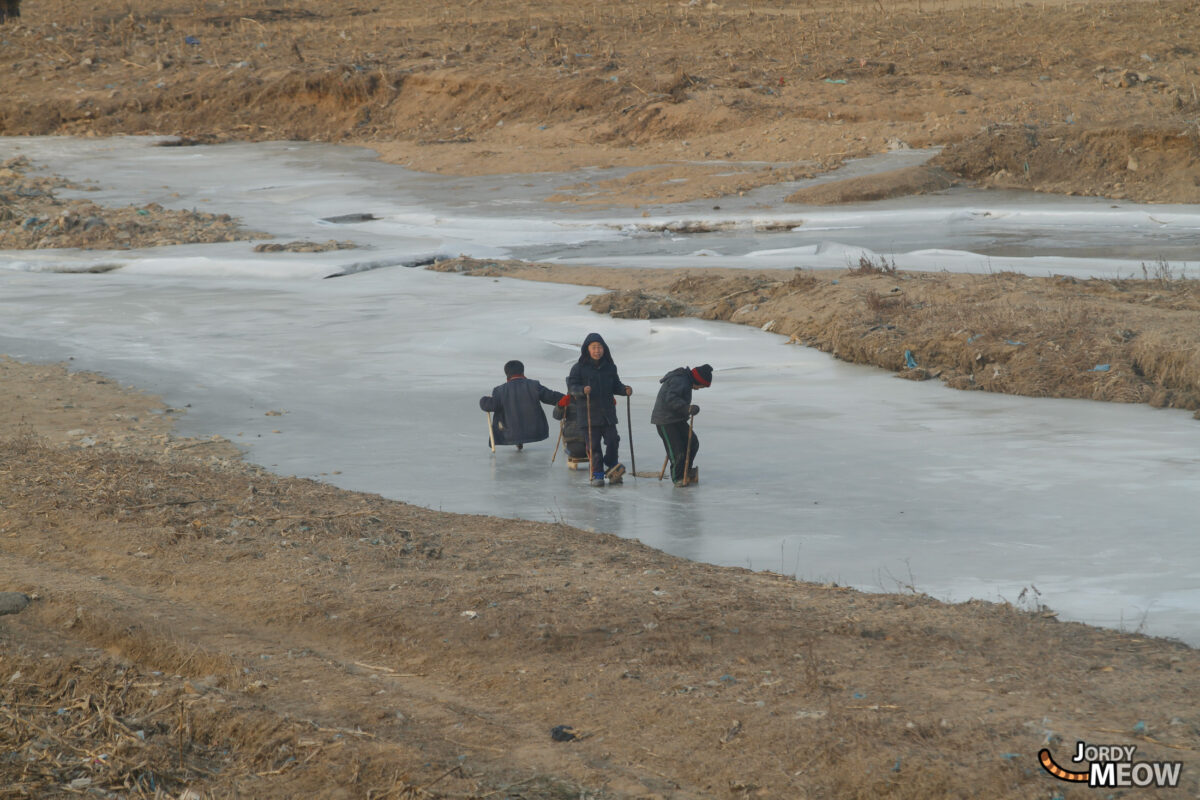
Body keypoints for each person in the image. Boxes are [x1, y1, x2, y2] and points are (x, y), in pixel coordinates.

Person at [566, 333, 631, 487]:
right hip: (588, 414)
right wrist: (582, 390)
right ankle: (598, 474)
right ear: (587, 349)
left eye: (600, 347)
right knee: (593, 446)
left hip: (607, 414)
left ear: (604, 348)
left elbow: (616, 385)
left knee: (613, 440)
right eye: (594, 347)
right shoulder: (579, 368)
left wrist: (625, 390)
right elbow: (572, 388)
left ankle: (612, 466)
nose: (597, 350)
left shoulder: (609, 367)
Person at [479, 360, 569, 450]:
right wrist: (569, 397)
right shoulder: (533, 385)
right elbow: (551, 396)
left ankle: (518, 441)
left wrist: (484, 400)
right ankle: (520, 441)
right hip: (536, 431)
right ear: (522, 372)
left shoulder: (499, 390)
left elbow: (490, 406)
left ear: (507, 374)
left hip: (509, 434)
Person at [650, 363, 712, 487]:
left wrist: (686, 409)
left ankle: (685, 470)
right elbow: (671, 399)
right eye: (701, 386)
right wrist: (687, 408)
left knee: (692, 442)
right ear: (698, 380)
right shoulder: (680, 380)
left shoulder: (685, 380)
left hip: (677, 419)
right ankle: (677, 477)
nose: (699, 389)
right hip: (665, 420)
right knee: (677, 451)